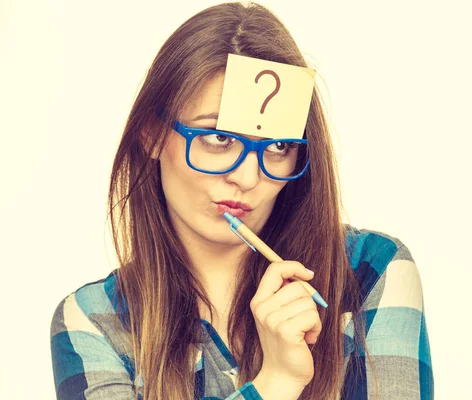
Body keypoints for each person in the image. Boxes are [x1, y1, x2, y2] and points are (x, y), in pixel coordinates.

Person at [50, 2, 434, 399]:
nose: (249, 178)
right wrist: (276, 383)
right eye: (219, 137)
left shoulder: (372, 272)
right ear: (151, 134)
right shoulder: (93, 320)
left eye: (279, 146)